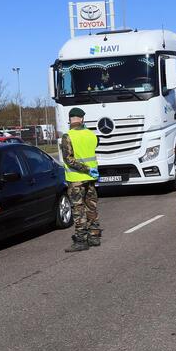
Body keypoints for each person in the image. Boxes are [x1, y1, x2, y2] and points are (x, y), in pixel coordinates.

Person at [61, 107, 101, 252]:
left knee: (78, 210)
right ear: (82, 119)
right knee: (91, 206)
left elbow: (69, 160)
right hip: (91, 178)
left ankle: (81, 240)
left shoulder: (67, 136)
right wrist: (91, 170)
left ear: (70, 119)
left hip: (76, 179)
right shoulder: (91, 135)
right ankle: (94, 236)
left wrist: (85, 169)